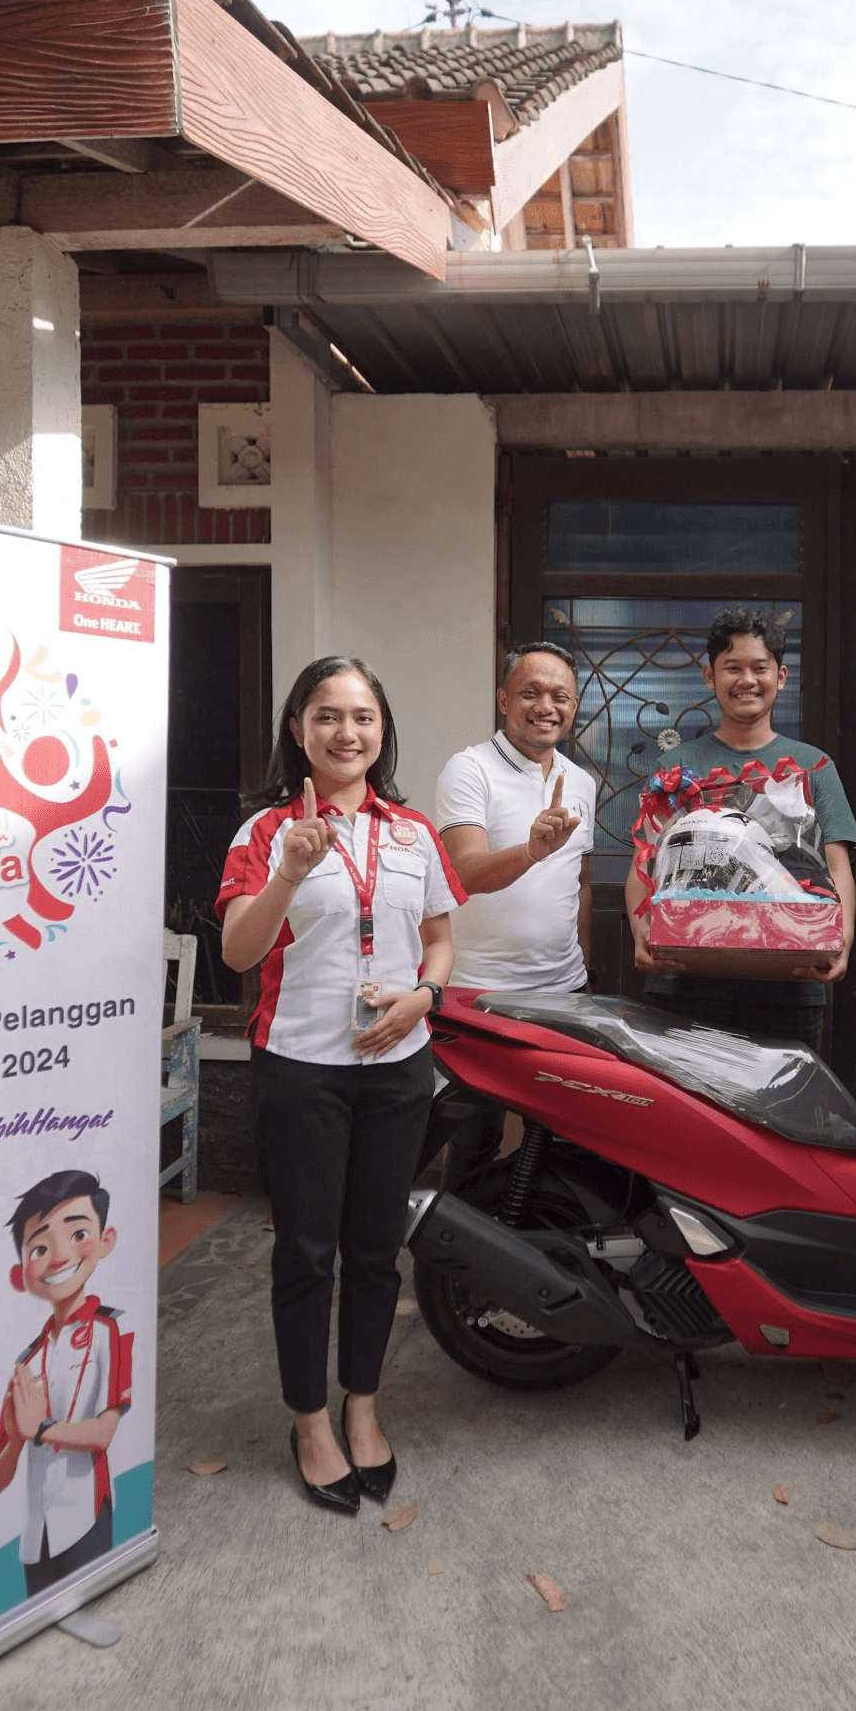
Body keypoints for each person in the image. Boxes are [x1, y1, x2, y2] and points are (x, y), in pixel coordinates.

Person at [216, 655, 461, 1516]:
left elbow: (437, 939)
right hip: (301, 1069)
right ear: (297, 729)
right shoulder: (261, 834)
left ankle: (363, 1404)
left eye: (361, 716)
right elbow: (239, 955)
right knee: (305, 1251)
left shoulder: (412, 833)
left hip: (398, 1067)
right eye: (326, 716)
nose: (345, 732)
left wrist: (423, 996)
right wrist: (288, 868)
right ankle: (309, 1419)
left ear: (381, 730)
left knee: (373, 1250)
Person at [625, 607, 856, 1051]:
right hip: (685, 979)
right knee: (689, 1115)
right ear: (709, 676)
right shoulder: (674, 767)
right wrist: (641, 932)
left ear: (782, 676)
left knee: (785, 1111)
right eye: (732, 668)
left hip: (790, 983)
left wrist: (841, 938)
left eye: (760, 668)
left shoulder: (814, 766)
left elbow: (837, 865)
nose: (747, 680)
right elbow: (643, 862)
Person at [0, 1170, 133, 1593]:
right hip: (35, 1538)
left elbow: (104, 1432)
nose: (61, 1257)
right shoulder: (26, 1361)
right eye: (41, 1247)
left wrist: (42, 1431)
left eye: (78, 1233)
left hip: (86, 1517)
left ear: (106, 1240)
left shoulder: (111, 1330)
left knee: (94, 1604)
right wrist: (16, 1440)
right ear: (21, 1275)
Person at [436, 641, 596, 994]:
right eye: (530, 693)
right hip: (480, 989)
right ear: (504, 700)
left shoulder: (581, 782)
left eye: (559, 697)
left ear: (574, 706)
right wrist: (530, 852)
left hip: (568, 988)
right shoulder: (469, 769)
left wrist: (586, 967)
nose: (545, 707)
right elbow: (462, 873)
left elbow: (579, 882)